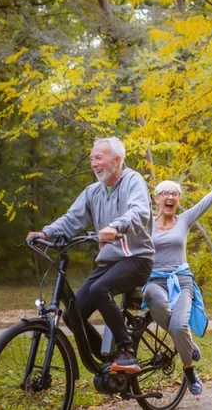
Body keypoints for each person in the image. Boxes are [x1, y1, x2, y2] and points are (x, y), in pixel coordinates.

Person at [26, 137, 154, 374]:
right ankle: (109, 363)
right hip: (108, 264)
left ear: (117, 160)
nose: (94, 163)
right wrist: (46, 233)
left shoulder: (133, 181)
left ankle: (127, 351)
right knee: (72, 316)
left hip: (137, 259)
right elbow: (71, 219)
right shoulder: (92, 191)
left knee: (99, 290)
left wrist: (116, 227)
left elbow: (139, 211)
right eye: (92, 158)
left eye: (99, 158)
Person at [143, 147, 212, 396]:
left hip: (181, 281)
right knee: (155, 301)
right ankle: (188, 345)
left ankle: (189, 369)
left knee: (180, 326)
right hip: (154, 281)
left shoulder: (185, 219)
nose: (170, 197)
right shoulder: (146, 221)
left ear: (178, 200)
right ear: (157, 199)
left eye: (175, 194)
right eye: (165, 193)